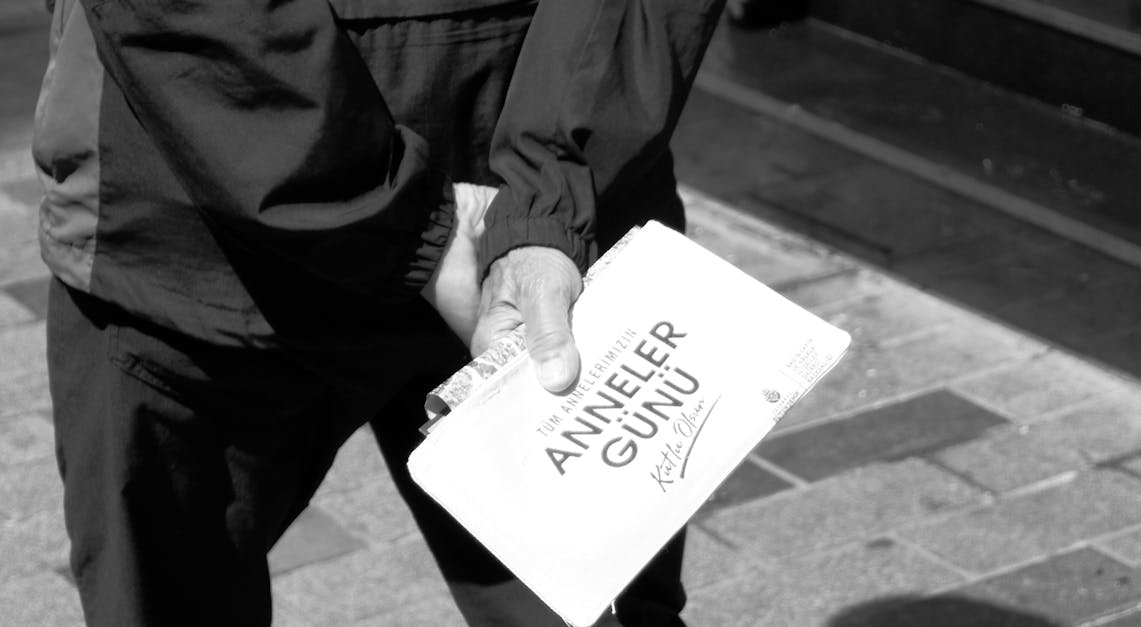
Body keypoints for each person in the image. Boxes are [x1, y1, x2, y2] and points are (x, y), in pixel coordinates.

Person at [33, 0, 724, 625]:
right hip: (199, 225)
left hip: (538, 236)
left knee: (591, 608)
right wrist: (454, 222)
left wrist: (542, 206)